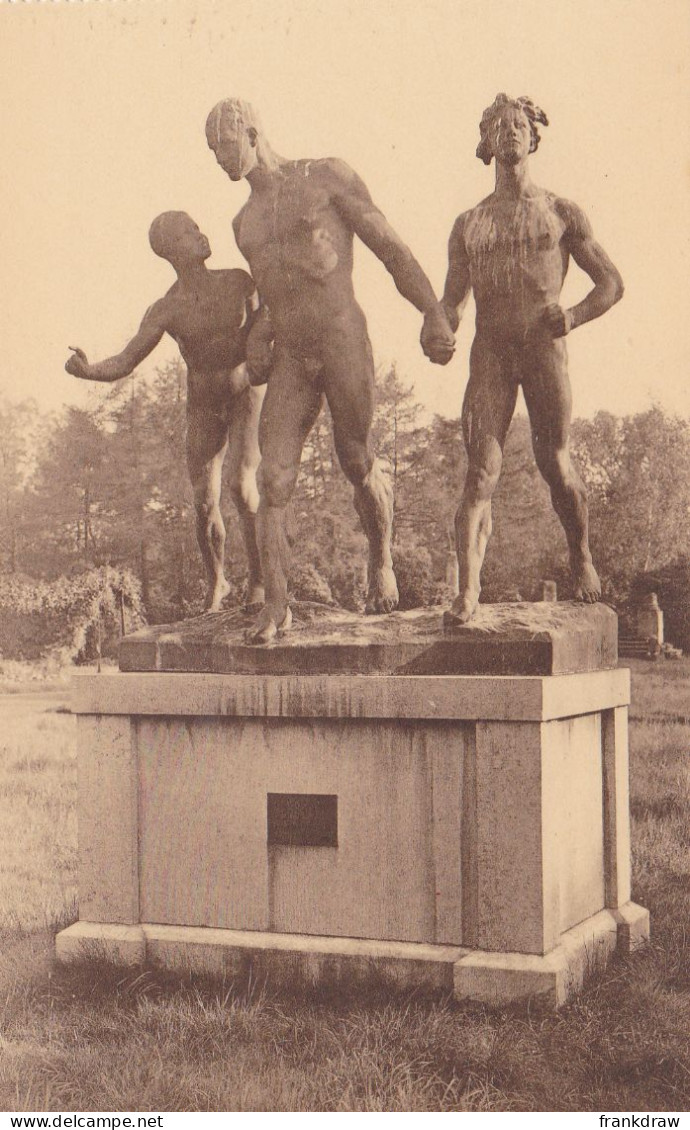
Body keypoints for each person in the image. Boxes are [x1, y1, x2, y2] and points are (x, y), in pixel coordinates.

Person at [205, 97, 455, 643]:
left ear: (250, 133)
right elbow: (273, 295)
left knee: (357, 461)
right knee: (273, 478)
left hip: (342, 339)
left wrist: (433, 311)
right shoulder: (242, 223)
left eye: (223, 146)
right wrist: (258, 338)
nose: (219, 160)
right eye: (212, 152)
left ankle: (381, 556)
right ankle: (277, 603)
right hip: (293, 356)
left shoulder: (325, 177)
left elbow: (389, 245)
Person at [440, 94, 624, 624]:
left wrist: (573, 315)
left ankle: (581, 556)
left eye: (519, 125)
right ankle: (467, 590)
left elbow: (611, 283)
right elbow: (453, 300)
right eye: (500, 126)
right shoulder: (469, 223)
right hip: (491, 354)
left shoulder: (561, 213)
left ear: (534, 136)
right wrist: (441, 328)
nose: (511, 133)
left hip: (544, 349)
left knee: (555, 463)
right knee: (480, 474)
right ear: (487, 140)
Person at [65, 210, 267, 613]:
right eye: (191, 231)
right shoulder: (166, 308)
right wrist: (88, 371)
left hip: (246, 393)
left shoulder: (237, 282)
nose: (201, 233)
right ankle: (218, 583)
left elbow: (268, 319)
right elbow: (126, 360)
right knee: (203, 500)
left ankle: (260, 582)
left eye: (198, 226)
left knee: (242, 488)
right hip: (204, 404)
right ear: (172, 250)